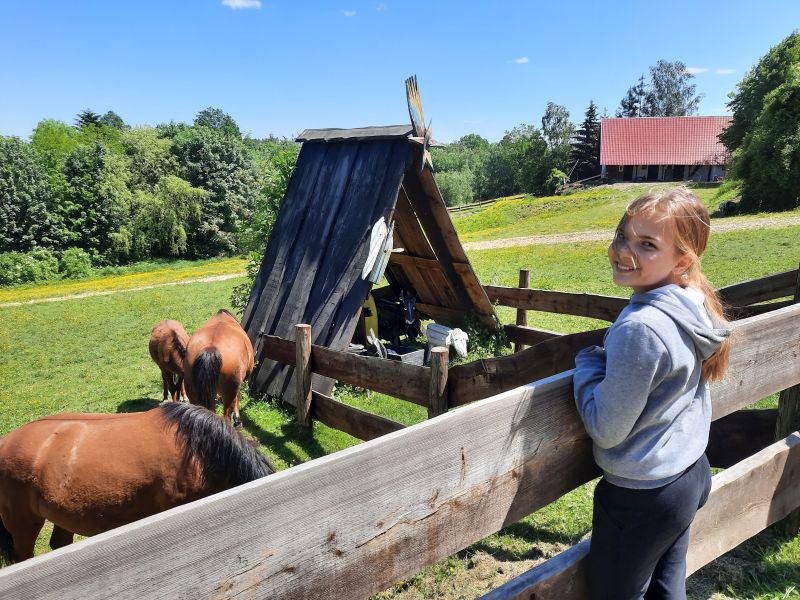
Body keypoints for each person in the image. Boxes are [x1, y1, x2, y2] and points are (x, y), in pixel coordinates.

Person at [573, 188, 732, 599]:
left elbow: (607, 429)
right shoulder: (692, 304)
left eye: (647, 244)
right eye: (623, 236)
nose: (624, 251)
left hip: (642, 495)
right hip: (689, 474)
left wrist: (589, 365)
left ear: (682, 261)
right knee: (666, 589)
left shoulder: (641, 328)